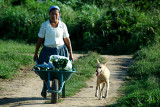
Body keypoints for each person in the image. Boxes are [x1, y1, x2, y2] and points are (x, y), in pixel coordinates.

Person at [33, 6, 74, 98]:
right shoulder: (45, 25)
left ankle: (58, 89)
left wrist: (71, 52)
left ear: (59, 15)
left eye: (56, 13)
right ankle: (45, 87)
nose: (54, 15)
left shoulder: (62, 25)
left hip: (61, 50)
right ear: (49, 14)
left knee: (60, 71)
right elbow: (40, 40)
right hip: (47, 50)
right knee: (46, 70)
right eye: (52, 13)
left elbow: (67, 39)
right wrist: (36, 53)